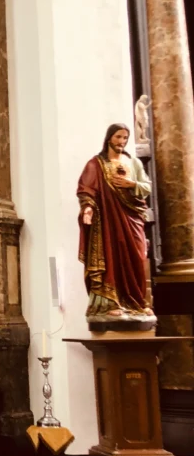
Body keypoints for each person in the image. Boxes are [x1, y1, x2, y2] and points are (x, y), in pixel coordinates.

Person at [77, 124, 155, 321]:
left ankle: (138, 302)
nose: (122, 141)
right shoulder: (96, 164)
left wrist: (132, 184)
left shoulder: (133, 163)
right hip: (109, 222)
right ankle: (112, 302)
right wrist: (87, 209)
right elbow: (86, 190)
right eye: (118, 137)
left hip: (133, 218)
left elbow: (146, 187)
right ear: (109, 138)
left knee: (138, 257)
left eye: (125, 138)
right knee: (113, 256)